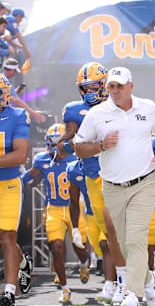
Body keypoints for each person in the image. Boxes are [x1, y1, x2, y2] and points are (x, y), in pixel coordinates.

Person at [74, 66, 155, 306]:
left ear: (131, 86)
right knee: (123, 241)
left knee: (137, 238)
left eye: (119, 86)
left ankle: (133, 294)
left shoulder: (148, 107)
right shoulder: (97, 113)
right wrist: (101, 145)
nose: (115, 91)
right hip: (112, 185)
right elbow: (78, 147)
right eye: (111, 86)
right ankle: (148, 281)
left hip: (144, 182)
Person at [57, 61, 125, 305]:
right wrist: (69, 144)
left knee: (115, 233)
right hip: (92, 178)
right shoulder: (75, 111)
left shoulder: (119, 106)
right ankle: (111, 284)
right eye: (86, 87)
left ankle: (126, 283)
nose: (90, 91)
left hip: (116, 176)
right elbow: (62, 148)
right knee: (105, 239)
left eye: (95, 85)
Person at [21, 123, 90, 303]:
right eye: (51, 142)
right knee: (57, 247)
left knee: (81, 248)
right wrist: (17, 177)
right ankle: (65, 289)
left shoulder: (76, 158)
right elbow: (29, 177)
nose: (54, 147)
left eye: (57, 142)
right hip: (53, 209)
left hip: (74, 208)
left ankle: (84, 263)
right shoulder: (43, 159)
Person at [0, 73, 30, 306]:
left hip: (8, 183)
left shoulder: (17, 115)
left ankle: (9, 291)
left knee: (7, 236)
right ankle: (22, 263)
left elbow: (20, 155)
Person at [67, 159, 115, 302]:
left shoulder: (104, 161)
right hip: (91, 215)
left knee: (106, 245)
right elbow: (74, 201)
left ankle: (110, 286)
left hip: (110, 210)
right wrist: (75, 228)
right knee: (102, 250)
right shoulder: (74, 169)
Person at [2, 58, 46, 123]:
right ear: (10, 70)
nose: (15, 74)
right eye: (14, 71)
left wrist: (14, 92)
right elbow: (16, 101)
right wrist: (33, 113)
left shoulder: (3, 78)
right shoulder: (4, 81)